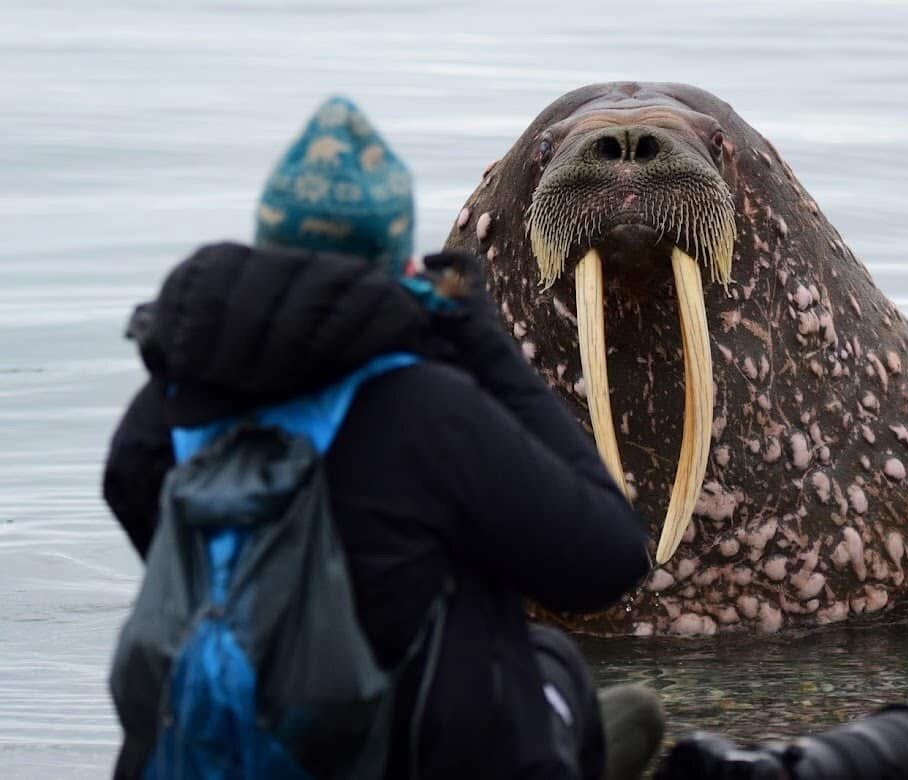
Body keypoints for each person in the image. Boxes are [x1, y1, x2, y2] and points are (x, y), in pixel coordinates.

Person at [103, 96, 663, 779]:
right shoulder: (425, 411)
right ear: (392, 256)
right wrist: (487, 347)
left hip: (203, 749)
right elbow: (607, 557)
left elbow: (130, 494)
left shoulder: (163, 406)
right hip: (397, 757)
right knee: (557, 665)